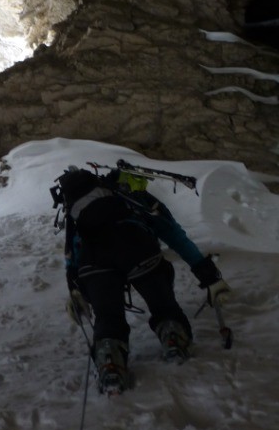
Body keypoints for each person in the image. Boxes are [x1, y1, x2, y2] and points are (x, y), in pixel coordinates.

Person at [53, 164, 231, 394]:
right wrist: (209, 276)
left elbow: (72, 251)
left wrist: (75, 290)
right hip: (138, 250)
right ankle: (173, 334)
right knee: (162, 302)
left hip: (94, 262)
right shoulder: (132, 197)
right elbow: (175, 236)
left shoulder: (77, 212)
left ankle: (110, 358)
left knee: (107, 315)